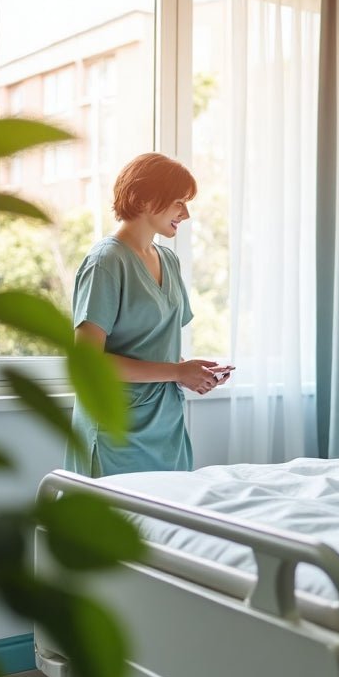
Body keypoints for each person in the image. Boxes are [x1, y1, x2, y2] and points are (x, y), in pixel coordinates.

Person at [65, 152, 232, 476]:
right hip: (116, 431)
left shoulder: (169, 260)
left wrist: (190, 371)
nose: (186, 213)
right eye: (178, 202)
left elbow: (153, 346)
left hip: (166, 426)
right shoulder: (106, 262)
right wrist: (176, 372)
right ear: (144, 199)